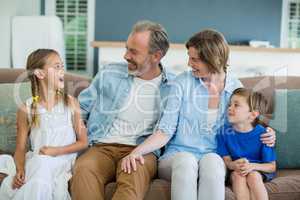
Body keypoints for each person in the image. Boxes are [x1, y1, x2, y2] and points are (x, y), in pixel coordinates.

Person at [121, 29, 276, 200]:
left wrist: (268, 133)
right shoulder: (182, 83)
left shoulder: (234, 87)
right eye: (189, 57)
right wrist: (136, 152)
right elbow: (165, 131)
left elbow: (246, 123)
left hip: (215, 157)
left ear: (213, 60)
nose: (189, 63)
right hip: (176, 157)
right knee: (186, 161)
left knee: (212, 162)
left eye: (195, 59)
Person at [70, 20, 174, 200]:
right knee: (84, 169)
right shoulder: (109, 73)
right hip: (102, 146)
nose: (125, 56)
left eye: (133, 51)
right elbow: (81, 109)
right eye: (126, 48)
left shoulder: (173, 86)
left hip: (142, 149)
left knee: (134, 176)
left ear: (156, 56)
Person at [0, 49, 88, 200]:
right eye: (57, 66)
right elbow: (20, 149)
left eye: (62, 66)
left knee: (41, 165)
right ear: (40, 74)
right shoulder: (26, 108)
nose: (62, 71)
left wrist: (56, 151)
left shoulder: (71, 103)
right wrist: (20, 169)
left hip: (62, 161)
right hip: (37, 161)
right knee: (38, 167)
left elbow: (83, 142)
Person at [217, 88, 276, 200]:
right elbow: (227, 161)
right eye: (230, 104)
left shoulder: (264, 134)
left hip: (258, 169)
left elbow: (272, 166)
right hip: (237, 170)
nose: (230, 107)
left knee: (253, 176)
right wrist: (233, 165)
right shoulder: (223, 132)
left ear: (253, 114)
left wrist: (251, 167)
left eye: (236, 105)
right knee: (237, 176)